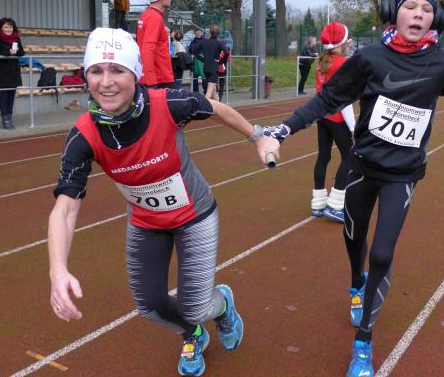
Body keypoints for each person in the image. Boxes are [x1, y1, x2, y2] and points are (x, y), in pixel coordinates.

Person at [262, 0, 444, 377]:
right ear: (393, 12)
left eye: (427, 10)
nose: (418, 14)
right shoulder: (369, 58)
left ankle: (363, 342)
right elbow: (328, 98)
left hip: (403, 174)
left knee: (382, 254)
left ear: (437, 19)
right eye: (410, 7)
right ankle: (356, 281)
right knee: (354, 239)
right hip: (362, 166)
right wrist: (285, 129)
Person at [48, 27, 277, 376]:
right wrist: (58, 270)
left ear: (135, 74)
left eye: (117, 70)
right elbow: (64, 209)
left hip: (194, 217)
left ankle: (221, 305)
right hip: (146, 223)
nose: (105, 82)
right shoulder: (83, 135)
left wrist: (257, 136)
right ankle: (192, 334)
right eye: (96, 71)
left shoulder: (168, 104)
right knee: (150, 306)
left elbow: (214, 109)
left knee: (196, 306)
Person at [310, 22, 355, 223]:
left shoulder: (322, 61)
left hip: (322, 117)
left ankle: (318, 203)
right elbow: (344, 100)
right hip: (337, 118)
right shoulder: (343, 64)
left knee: (323, 156)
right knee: (350, 157)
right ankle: (336, 205)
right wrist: (353, 127)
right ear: (342, 42)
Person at [137, 0, 176, 89]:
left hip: (156, 77)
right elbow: (147, 50)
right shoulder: (154, 18)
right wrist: (151, 83)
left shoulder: (147, 15)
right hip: (160, 78)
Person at [0, 17, 25, 129]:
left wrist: (17, 51)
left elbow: (22, 52)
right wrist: (9, 52)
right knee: (4, 95)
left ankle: (9, 116)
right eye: (5, 27)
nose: (8, 29)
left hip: (14, 70)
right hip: (2, 71)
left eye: (10, 27)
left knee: (11, 96)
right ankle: (5, 119)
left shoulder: (16, 38)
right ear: (1, 28)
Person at [189, 25, 229, 100]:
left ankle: (216, 106)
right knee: (209, 92)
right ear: (218, 33)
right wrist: (221, 61)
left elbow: (194, 51)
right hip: (214, 69)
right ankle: (204, 106)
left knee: (213, 91)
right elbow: (227, 52)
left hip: (206, 69)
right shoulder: (219, 43)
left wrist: (202, 59)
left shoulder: (204, 42)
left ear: (210, 33)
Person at [190, 28, 204, 93]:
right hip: (194, 62)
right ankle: (196, 93)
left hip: (203, 62)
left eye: (199, 33)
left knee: (204, 78)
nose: (198, 34)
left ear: (201, 33)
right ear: (195, 34)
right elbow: (190, 51)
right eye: (196, 33)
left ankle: (206, 92)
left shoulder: (205, 41)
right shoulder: (192, 42)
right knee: (194, 78)